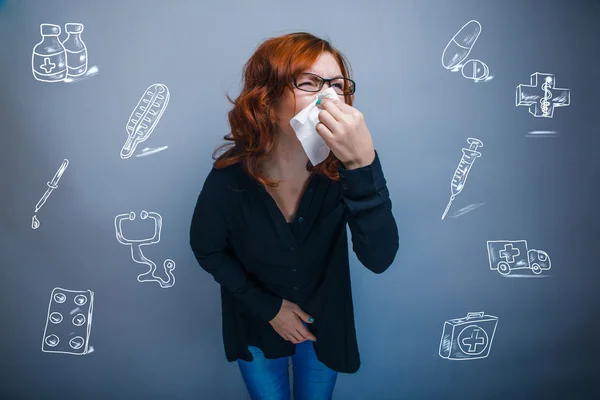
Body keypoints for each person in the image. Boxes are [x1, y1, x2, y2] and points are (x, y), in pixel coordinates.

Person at [189, 32, 399, 400]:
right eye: (309, 82)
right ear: (267, 98)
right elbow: (207, 249)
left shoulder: (347, 169)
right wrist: (269, 309)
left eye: (337, 85)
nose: (329, 96)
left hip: (324, 327)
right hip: (256, 323)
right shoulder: (230, 176)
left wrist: (361, 164)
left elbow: (380, 258)